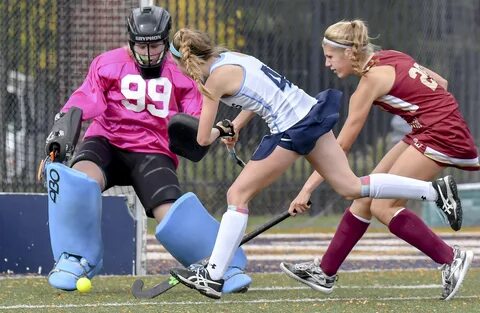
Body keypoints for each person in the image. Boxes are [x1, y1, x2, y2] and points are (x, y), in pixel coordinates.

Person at [166, 27, 462, 300]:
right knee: (351, 187)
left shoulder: (214, 80)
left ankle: (213, 275)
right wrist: (237, 125)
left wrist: (222, 129)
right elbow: (256, 95)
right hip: (310, 112)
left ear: (183, 61)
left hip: (290, 128)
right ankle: (434, 191)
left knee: (237, 195)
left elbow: (203, 139)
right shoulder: (233, 56)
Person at [43, 5, 251, 294]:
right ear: (131, 41)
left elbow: (196, 119)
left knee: (170, 211)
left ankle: (218, 264)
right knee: (79, 180)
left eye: (155, 45)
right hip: (107, 140)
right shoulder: (106, 64)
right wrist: (60, 136)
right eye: (142, 45)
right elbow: (84, 100)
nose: (149, 52)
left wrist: (204, 132)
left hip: (153, 150)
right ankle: (75, 257)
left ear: (165, 43)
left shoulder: (182, 74)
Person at [280, 20, 477, 301]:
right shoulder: (392, 56)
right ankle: (325, 271)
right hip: (429, 128)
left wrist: (307, 189)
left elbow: (341, 147)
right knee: (364, 200)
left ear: (349, 53)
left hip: (440, 133)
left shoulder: (368, 84)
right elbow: (442, 84)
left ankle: (450, 258)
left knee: (384, 206)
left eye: (329, 57)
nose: (327, 64)